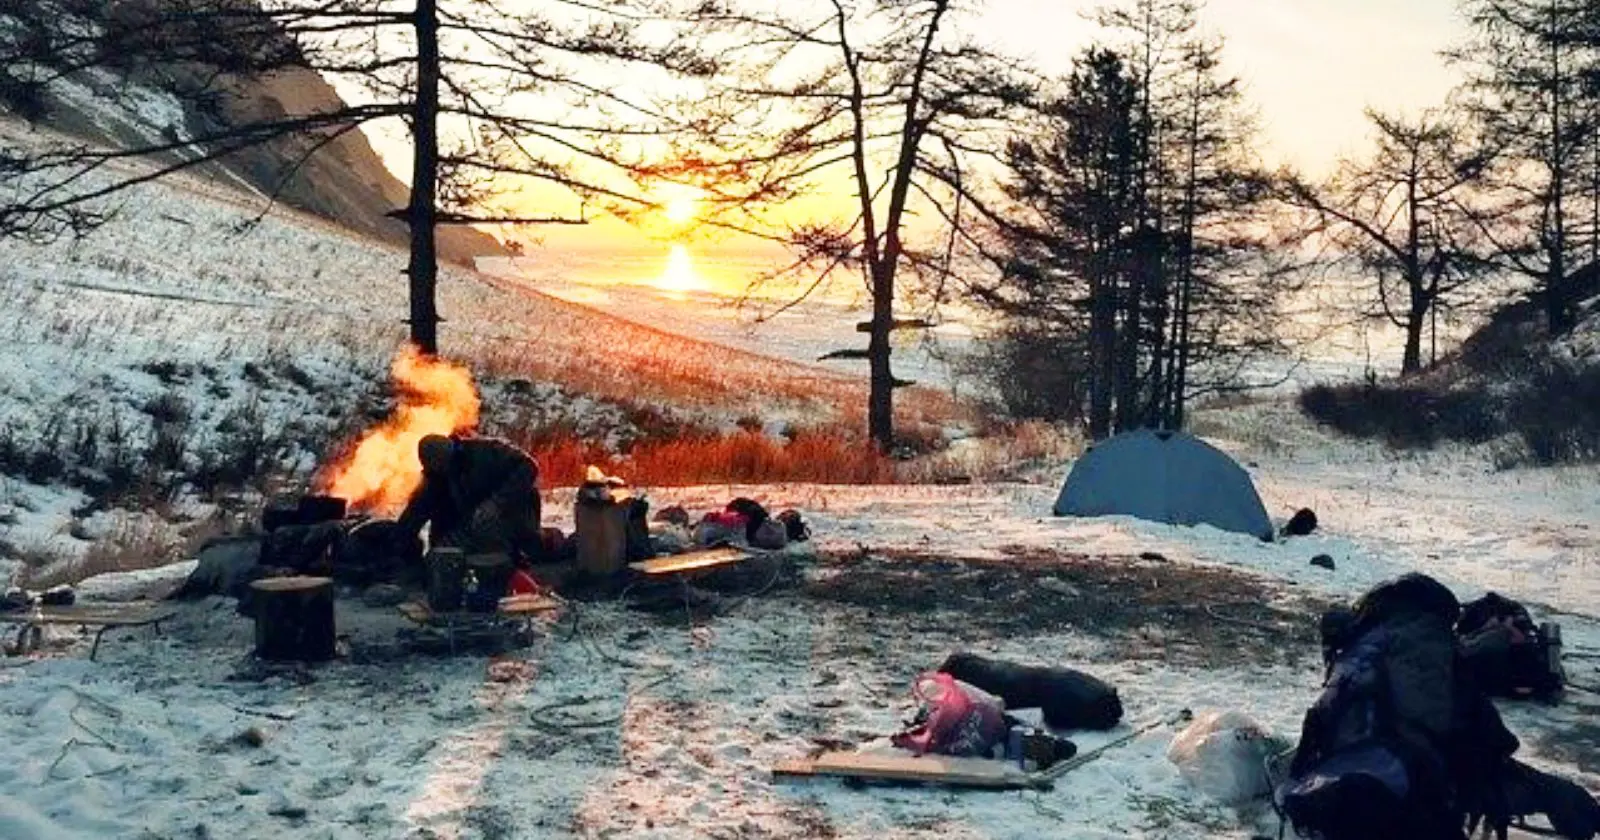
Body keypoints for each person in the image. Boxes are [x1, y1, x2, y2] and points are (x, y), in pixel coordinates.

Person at [396, 434, 544, 564]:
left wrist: (497, 503)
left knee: (496, 549)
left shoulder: (485, 452)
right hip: (470, 524)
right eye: (437, 468)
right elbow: (416, 512)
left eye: (443, 465)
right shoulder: (435, 477)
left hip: (512, 516)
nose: (442, 470)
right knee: (443, 556)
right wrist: (397, 540)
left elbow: (529, 466)